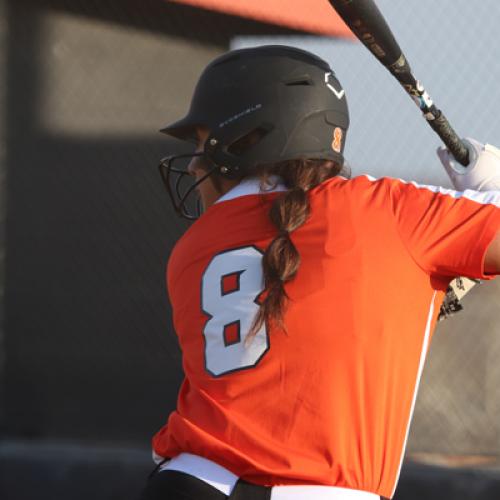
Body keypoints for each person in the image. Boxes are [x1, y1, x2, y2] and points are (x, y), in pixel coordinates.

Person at [143, 45, 500, 500]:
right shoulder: (383, 212)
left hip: (186, 485)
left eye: (201, 142)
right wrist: (489, 190)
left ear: (246, 138)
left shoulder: (191, 249)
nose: (194, 162)